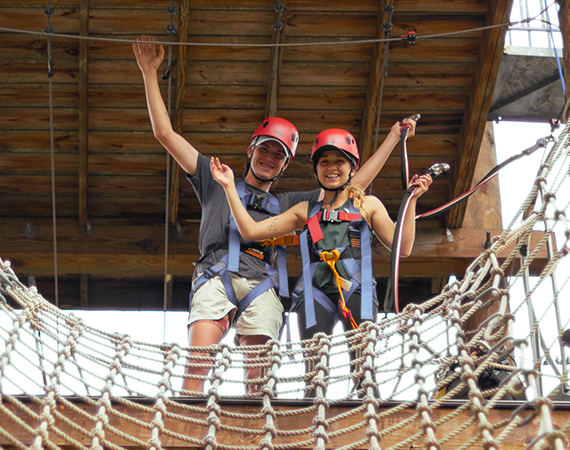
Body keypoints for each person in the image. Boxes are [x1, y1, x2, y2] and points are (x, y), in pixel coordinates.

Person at [133, 37, 410, 395]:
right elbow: (165, 135)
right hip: (217, 275)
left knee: (259, 384)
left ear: (286, 164)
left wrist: (391, 139)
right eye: (264, 150)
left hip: (263, 286)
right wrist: (149, 73)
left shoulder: (291, 203)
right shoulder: (216, 179)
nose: (269, 158)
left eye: (278, 155)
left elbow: (350, 186)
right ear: (250, 150)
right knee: (197, 367)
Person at [205, 128, 432, 397]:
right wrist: (230, 187)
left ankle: (366, 419)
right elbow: (250, 232)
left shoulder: (367, 205)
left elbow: (402, 248)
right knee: (315, 379)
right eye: (324, 162)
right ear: (315, 171)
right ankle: (313, 427)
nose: (332, 168)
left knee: (365, 374)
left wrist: (413, 201)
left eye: (340, 161)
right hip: (314, 295)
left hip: (357, 289)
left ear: (352, 168)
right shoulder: (304, 210)